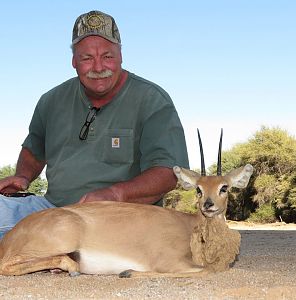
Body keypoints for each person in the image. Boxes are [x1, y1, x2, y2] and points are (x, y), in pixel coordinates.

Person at [0, 10, 189, 239]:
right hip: (52, 211)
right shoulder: (50, 100)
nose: (98, 67)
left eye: (107, 56)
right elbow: (34, 150)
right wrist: (23, 176)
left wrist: (115, 194)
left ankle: (44, 251)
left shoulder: (152, 100)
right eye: (87, 58)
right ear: (74, 62)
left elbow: (169, 172)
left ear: (121, 55)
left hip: (120, 216)